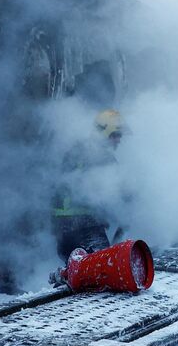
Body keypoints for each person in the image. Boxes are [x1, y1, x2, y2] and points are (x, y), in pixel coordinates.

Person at [52, 109, 126, 260]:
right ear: (105, 132)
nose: (119, 140)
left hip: (64, 232)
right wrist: (128, 195)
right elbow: (106, 190)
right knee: (103, 269)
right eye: (116, 135)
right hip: (86, 229)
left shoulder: (77, 150)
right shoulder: (102, 157)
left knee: (77, 276)